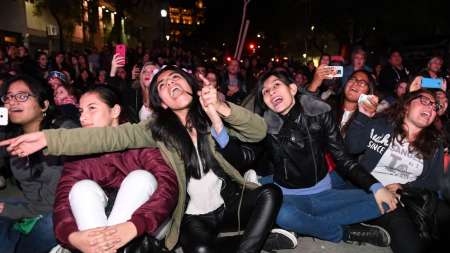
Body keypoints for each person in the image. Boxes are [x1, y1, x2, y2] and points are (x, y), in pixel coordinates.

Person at [1, 66, 282, 253]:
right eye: (161, 84)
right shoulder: (155, 130)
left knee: (270, 193)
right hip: (193, 216)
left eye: (175, 78)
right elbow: (105, 137)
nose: (169, 83)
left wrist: (220, 107)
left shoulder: (211, 116)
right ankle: (258, 238)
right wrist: (50, 139)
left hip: (228, 203)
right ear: (159, 99)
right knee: (199, 251)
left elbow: (258, 131)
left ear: (190, 85)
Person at [255, 70, 398, 247]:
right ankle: (345, 232)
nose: (271, 92)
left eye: (276, 85)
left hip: (325, 188)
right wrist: (220, 118)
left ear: (292, 88)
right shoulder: (264, 125)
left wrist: (376, 187)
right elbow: (246, 146)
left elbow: (344, 156)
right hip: (291, 195)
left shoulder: (321, 111)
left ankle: (302, 225)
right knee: (283, 214)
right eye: (265, 91)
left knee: (384, 202)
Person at [53, 86, 178, 252]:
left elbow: (168, 185)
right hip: (97, 222)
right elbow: (62, 201)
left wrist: (134, 226)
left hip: (150, 221)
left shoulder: (138, 139)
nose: (83, 117)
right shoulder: (79, 152)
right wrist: (71, 236)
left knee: (141, 178)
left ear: (115, 111)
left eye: (92, 109)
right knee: (81, 188)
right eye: (81, 111)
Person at [345, 89, 450, 253]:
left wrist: (403, 187)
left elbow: (434, 182)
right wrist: (363, 116)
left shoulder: (435, 144)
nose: (431, 108)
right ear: (407, 106)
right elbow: (352, 147)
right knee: (407, 237)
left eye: (435, 106)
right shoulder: (382, 124)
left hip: (410, 195)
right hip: (376, 193)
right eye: (424, 101)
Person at [0, 76, 78, 253]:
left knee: (49, 226)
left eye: (22, 96)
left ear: (44, 105)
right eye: (8, 97)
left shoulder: (64, 131)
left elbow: (50, 205)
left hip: (59, 211)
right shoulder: (11, 135)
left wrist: (10, 211)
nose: (12, 102)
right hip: (30, 205)